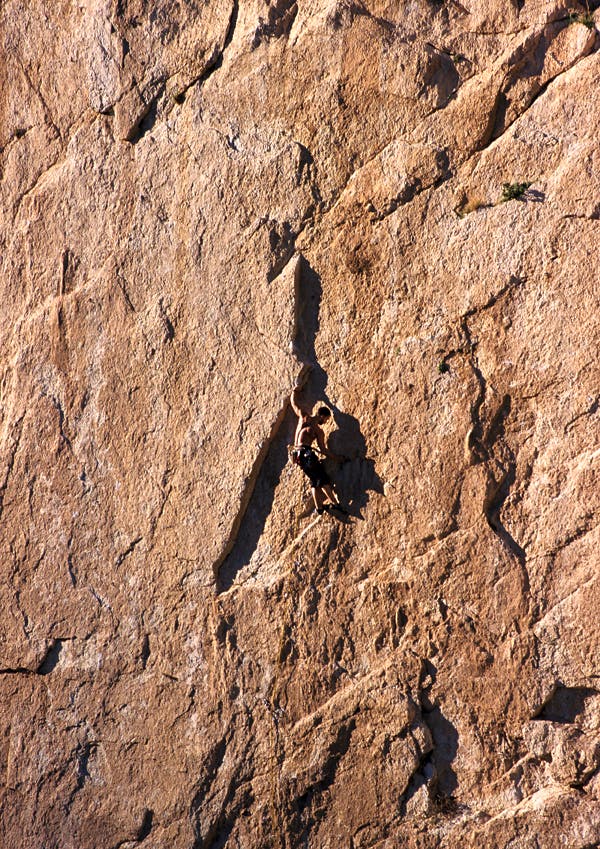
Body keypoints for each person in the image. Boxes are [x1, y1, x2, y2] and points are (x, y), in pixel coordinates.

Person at [290, 382, 345, 515]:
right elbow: (324, 450)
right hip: (307, 455)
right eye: (326, 419)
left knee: (315, 481)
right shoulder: (318, 431)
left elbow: (294, 404)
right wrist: (338, 459)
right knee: (323, 479)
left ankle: (319, 508)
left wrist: (294, 392)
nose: (325, 422)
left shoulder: (304, 416)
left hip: (297, 456)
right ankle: (335, 504)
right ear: (322, 416)